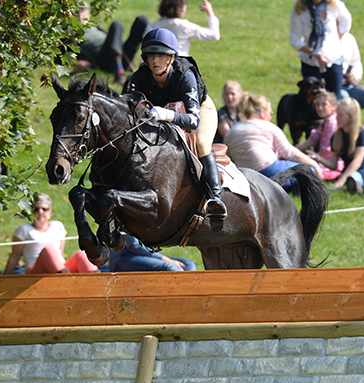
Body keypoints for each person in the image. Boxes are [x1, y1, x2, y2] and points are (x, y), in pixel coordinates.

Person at [123, 28, 226, 229]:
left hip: (198, 112)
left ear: (171, 58)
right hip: (163, 117)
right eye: (152, 55)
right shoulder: (138, 78)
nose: (155, 60)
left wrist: (167, 115)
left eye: (161, 55)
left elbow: (193, 121)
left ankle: (215, 198)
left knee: (202, 143)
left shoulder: (185, 75)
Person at [224, 92, 323, 188]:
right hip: (269, 171)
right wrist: (315, 164)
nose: (271, 117)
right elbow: (290, 153)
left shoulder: (231, 132)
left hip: (245, 176)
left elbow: (229, 158)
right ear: (262, 113)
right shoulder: (268, 127)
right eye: (270, 113)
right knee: (309, 170)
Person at [308, 98, 364, 197]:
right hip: (351, 171)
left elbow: (357, 160)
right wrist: (317, 158)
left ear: (351, 117)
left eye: (340, 115)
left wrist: (341, 180)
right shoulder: (336, 137)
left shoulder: (362, 133)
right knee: (353, 178)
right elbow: (333, 164)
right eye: (337, 114)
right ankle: (357, 186)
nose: (336, 118)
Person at [3, 194, 98, 274]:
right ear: (31, 212)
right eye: (36, 209)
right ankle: (66, 284)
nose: (40, 212)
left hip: (59, 268)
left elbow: (60, 253)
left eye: (44, 209)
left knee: (82, 254)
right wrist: (3, 279)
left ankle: (99, 288)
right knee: (48, 250)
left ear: (50, 213)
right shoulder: (24, 229)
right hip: (35, 272)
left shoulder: (58, 226)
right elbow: (14, 257)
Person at [57, 5, 148, 84]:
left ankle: (147, 68)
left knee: (142, 20)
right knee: (116, 24)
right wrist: (75, 63)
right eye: (76, 12)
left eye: (82, 11)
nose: (80, 15)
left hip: (122, 55)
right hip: (104, 60)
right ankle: (119, 73)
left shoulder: (94, 26)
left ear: (89, 14)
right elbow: (58, 55)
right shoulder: (69, 32)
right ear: (70, 15)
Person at [289, 0, 352, 99]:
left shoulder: (334, 5)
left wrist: (337, 39)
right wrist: (314, 53)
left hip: (333, 59)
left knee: (334, 98)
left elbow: (346, 22)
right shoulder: (300, 9)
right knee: (312, 100)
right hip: (310, 62)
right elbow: (294, 40)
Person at [146, 0, 220, 57]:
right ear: (180, 8)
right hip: (180, 69)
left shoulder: (152, 27)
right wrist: (210, 13)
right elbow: (214, 35)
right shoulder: (184, 26)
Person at [295, 91, 342, 180]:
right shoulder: (324, 122)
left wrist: (311, 157)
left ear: (334, 107)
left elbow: (327, 151)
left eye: (324, 104)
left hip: (329, 162)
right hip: (322, 159)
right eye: (317, 104)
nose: (319, 108)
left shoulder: (331, 123)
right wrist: (289, 151)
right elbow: (309, 142)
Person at [108, 233, 197, 272]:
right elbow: (136, 247)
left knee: (188, 264)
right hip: (123, 260)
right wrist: (166, 259)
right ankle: (183, 292)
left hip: (145, 254)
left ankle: (190, 289)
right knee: (169, 267)